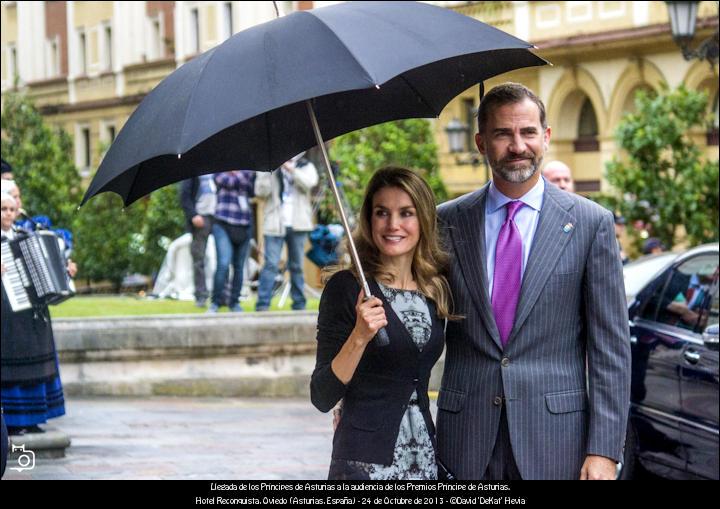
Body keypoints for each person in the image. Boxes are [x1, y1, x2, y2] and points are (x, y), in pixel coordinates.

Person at [436, 82, 631, 480]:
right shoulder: (445, 222)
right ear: (480, 142)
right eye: (502, 133)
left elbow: (610, 348)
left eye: (527, 132)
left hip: (557, 441)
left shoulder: (590, 223)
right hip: (465, 441)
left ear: (546, 137)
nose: (517, 145)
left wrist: (605, 450)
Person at [310, 167, 458, 480]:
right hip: (364, 463)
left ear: (424, 220)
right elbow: (322, 395)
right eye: (382, 213)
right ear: (369, 219)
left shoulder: (436, 287)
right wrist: (359, 337)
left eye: (406, 213)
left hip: (425, 459)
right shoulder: (347, 288)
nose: (393, 225)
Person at [1, 190, 77, 435]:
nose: (8, 214)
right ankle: (12, 420)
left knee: (36, 363)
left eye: (12, 209)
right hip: (6, 314)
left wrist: (66, 270)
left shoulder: (27, 234)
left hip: (32, 313)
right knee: (11, 364)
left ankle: (34, 417)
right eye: (3, 209)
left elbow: (49, 263)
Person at [255, 153, 318, 311]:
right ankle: (263, 304)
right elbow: (260, 191)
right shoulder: (268, 168)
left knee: (296, 265)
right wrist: (272, 171)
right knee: (270, 264)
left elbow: (310, 183)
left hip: (298, 223)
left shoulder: (305, 166)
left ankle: (299, 303)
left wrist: (291, 170)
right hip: (275, 223)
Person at [208, 170, 255, 313]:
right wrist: (239, 175)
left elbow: (250, 185)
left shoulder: (248, 169)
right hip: (222, 222)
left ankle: (234, 303)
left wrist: (235, 173)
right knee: (223, 263)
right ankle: (215, 302)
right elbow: (225, 181)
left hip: (244, 223)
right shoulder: (218, 167)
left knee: (239, 267)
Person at [180, 174, 217, 308]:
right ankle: (201, 295)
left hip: (217, 216)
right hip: (201, 218)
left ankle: (222, 295)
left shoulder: (217, 169)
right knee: (198, 258)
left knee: (222, 258)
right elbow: (184, 196)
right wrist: (193, 215)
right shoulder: (193, 171)